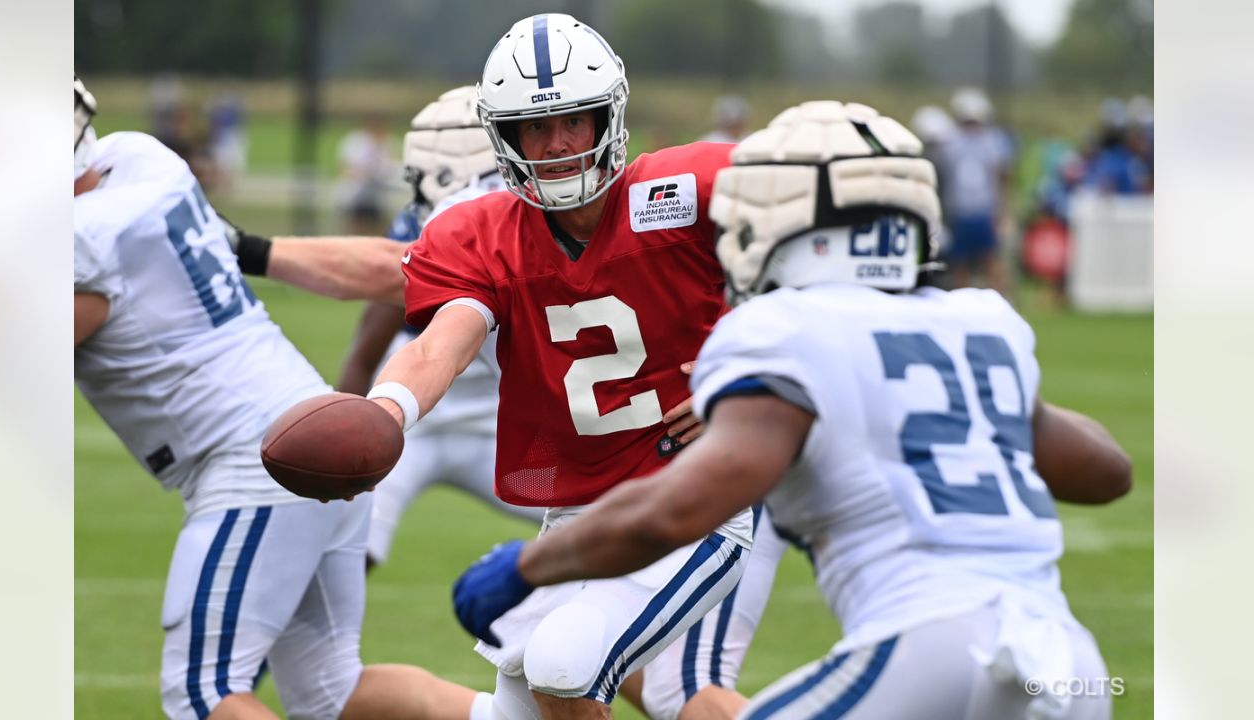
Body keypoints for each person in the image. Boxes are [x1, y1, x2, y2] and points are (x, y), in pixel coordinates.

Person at [452, 101, 1132, 720]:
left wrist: (526, 568)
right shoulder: (981, 321)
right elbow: (1107, 472)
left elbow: (676, 512)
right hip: (1071, 665)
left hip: (929, 646)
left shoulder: (788, 327)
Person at [348, 14, 782, 719]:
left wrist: (746, 378)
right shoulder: (480, 233)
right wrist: (383, 412)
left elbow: (806, 264)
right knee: (516, 707)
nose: (555, 145)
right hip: (581, 512)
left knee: (567, 665)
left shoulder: (683, 188)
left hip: (694, 498)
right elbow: (440, 345)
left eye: (573, 122)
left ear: (607, 117)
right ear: (504, 138)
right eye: (534, 128)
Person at [72, 76, 486, 720]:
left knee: (204, 693)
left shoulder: (79, 239)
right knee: (332, 689)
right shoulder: (140, 158)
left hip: (254, 463)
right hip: (307, 426)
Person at [336, 86, 546, 570]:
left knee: (606, 522)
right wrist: (343, 438)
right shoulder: (423, 225)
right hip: (413, 418)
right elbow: (369, 344)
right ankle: (325, 648)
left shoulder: (545, 221)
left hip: (504, 430)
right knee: (341, 546)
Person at [943, 87, 1013, 293]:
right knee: (960, 262)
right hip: (960, 210)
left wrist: (1004, 211)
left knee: (991, 259)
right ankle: (961, 302)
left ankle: (1000, 300)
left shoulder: (992, 142)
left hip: (984, 210)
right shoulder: (952, 142)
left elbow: (1002, 178)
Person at [337, 113, 403, 235]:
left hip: (381, 192)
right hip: (357, 191)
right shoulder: (355, 142)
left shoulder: (391, 142)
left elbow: (395, 167)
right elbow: (345, 168)